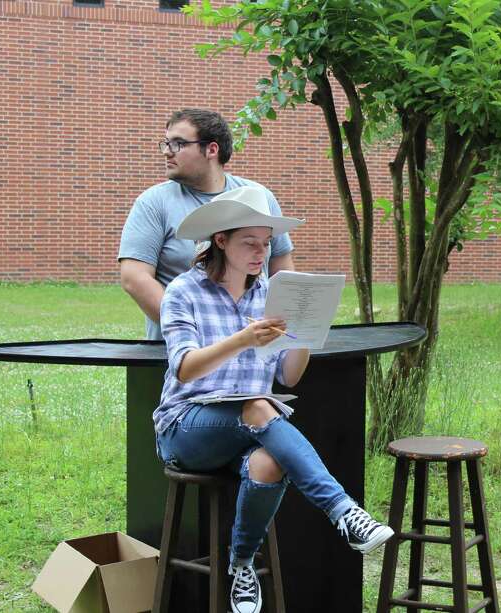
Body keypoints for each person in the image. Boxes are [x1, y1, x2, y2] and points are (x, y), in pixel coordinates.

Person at [154, 185, 393, 613]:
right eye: (250, 243)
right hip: (186, 427)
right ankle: (343, 511)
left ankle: (241, 566)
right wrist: (243, 339)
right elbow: (185, 367)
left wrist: (304, 334)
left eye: (266, 244)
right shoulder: (183, 292)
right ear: (221, 241)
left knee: (270, 462)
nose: (260, 253)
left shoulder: (268, 295)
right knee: (259, 407)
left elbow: (289, 375)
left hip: (249, 430)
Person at [118, 108, 295, 340]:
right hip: (182, 355)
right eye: (166, 143)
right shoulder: (153, 203)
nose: (167, 152)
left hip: (255, 352)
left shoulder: (258, 196)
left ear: (211, 149)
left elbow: (281, 270)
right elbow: (134, 278)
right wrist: (195, 330)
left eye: (178, 143)